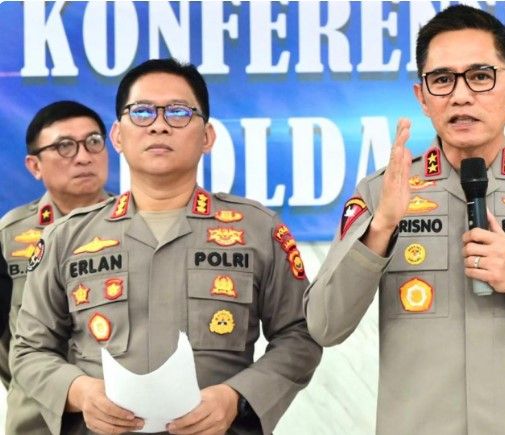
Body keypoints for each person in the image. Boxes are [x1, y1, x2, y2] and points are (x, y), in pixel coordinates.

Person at [303, 5, 505, 435]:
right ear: (422, 97)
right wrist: (380, 230)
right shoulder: (382, 192)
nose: (460, 96)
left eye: (480, 76)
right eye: (442, 80)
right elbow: (324, 326)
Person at [12, 58, 322, 435]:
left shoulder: (257, 230)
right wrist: (79, 391)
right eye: (142, 112)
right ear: (118, 136)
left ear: (206, 137)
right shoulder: (67, 237)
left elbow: (300, 336)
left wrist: (237, 397)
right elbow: (29, 350)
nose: (159, 125)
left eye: (178, 112)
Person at [0, 100, 110, 434]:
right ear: (35, 166)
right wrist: (38, 382)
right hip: (37, 419)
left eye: (93, 142)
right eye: (65, 146)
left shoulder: (136, 225)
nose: (83, 157)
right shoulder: (9, 235)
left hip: (118, 415)